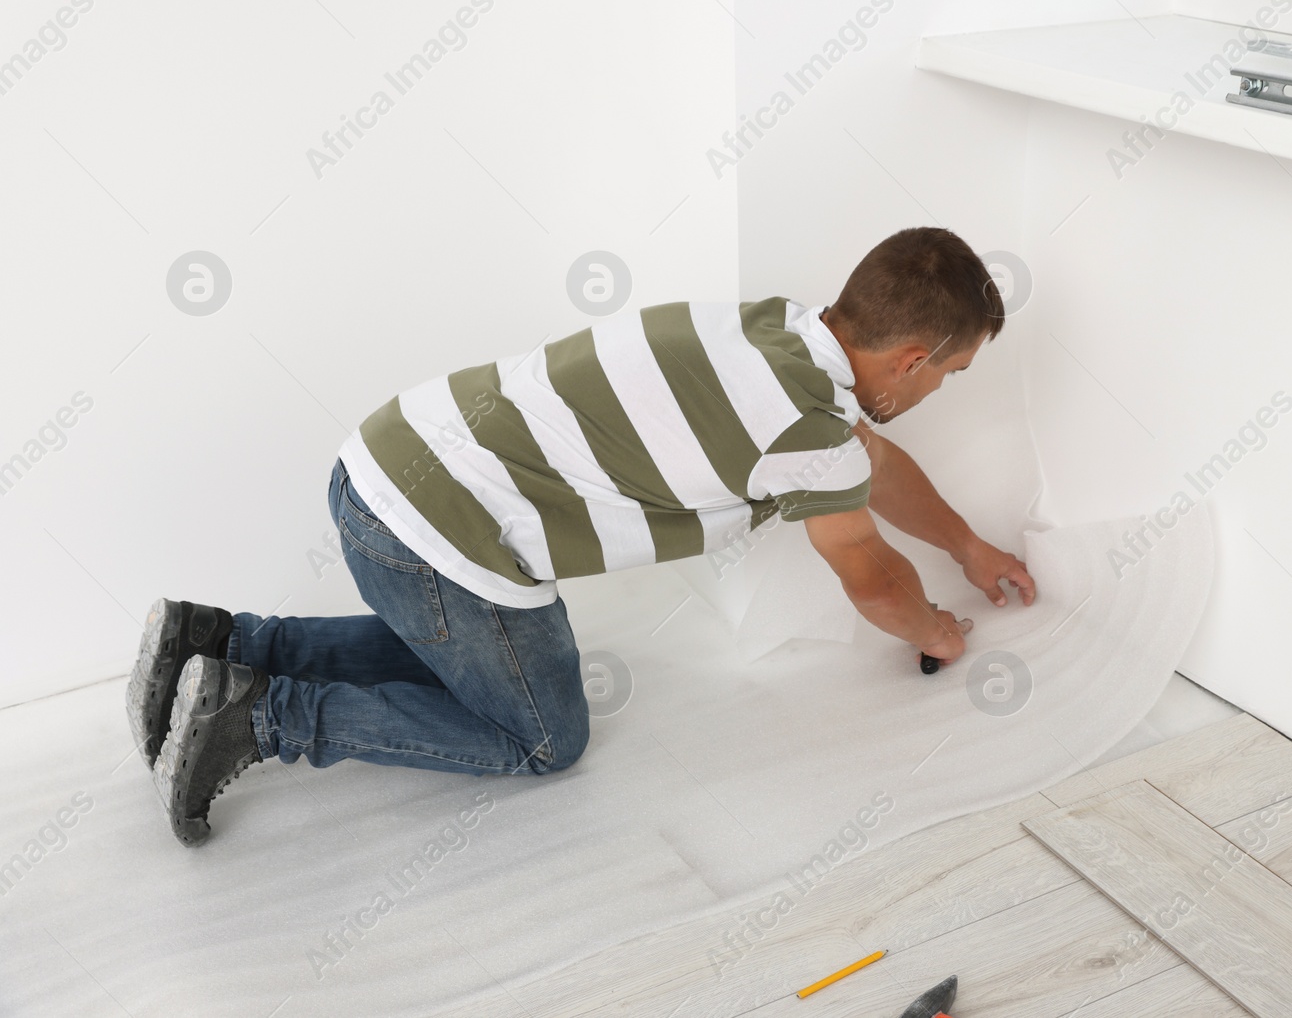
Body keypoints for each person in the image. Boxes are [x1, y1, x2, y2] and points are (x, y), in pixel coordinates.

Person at [127, 226, 1037, 846]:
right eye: (949, 373)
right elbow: (874, 577)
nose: (940, 391)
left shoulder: (775, 333)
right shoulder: (811, 433)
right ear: (911, 359)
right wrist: (937, 632)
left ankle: (218, 643)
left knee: (466, 647)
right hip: (437, 534)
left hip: (379, 461)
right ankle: (259, 715)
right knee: (541, 737)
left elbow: (870, 466)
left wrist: (967, 547)